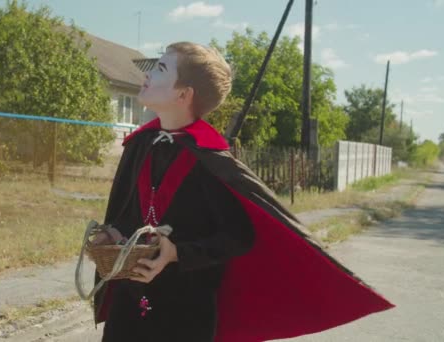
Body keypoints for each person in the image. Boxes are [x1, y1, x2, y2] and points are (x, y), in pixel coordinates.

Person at [92, 42, 394, 342]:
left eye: (160, 69)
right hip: (129, 303)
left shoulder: (211, 161)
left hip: (184, 312)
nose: (148, 75)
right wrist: (113, 233)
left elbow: (239, 236)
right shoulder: (140, 145)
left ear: (183, 95)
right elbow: (129, 213)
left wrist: (176, 253)